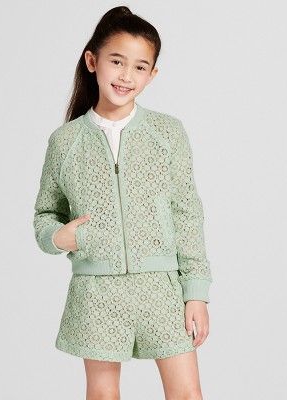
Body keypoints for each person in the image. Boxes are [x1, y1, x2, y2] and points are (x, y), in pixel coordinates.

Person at [33, 5, 213, 400]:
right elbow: (45, 213)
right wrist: (58, 238)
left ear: (152, 74)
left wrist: (196, 291)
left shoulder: (168, 133)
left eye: (140, 66)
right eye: (117, 61)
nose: (126, 75)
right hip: (96, 290)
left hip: (161, 286)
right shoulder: (65, 142)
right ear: (92, 61)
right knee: (102, 394)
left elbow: (187, 212)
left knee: (186, 394)